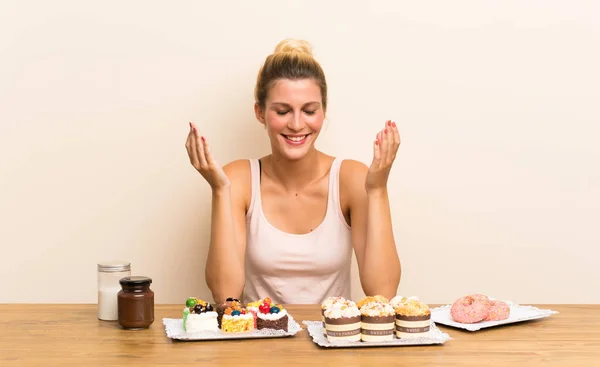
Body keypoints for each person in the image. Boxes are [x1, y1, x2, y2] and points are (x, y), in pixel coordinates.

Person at [185, 38, 401, 305]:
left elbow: (383, 293)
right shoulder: (239, 179)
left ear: (323, 111)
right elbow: (224, 295)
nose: (297, 124)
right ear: (260, 113)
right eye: (283, 111)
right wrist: (219, 190)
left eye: (309, 110)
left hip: (336, 341)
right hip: (258, 341)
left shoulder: (351, 178)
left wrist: (378, 189)